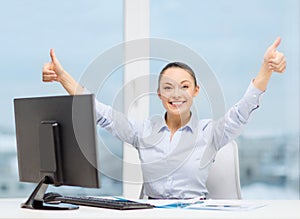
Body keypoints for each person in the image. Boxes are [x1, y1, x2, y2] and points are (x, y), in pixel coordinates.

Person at [42, 38, 286, 199]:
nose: (176, 94)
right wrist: (64, 78)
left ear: (195, 91)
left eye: (184, 86)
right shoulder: (143, 131)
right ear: (159, 94)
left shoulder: (210, 132)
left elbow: (242, 112)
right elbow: (100, 113)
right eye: (168, 88)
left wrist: (266, 69)